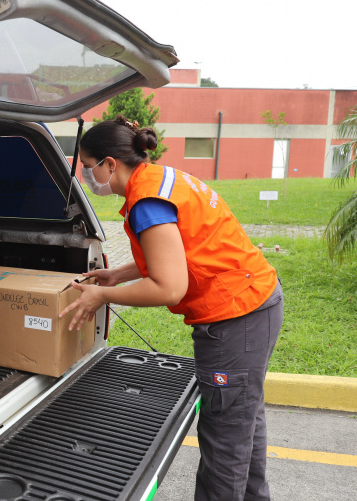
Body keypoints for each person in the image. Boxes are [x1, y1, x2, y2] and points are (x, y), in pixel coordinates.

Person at [59, 115, 284, 501]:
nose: (86, 175)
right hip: (254, 302)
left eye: (87, 166)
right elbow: (177, 251)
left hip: (236, 317)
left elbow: (169, 286)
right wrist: (118, 275)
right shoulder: (159, 179)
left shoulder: (147, 202)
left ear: (110, 164)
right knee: (243, 421)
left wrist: (103, 296)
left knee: (225, 437)